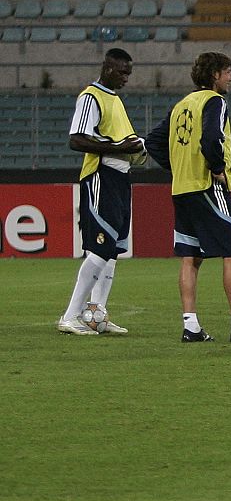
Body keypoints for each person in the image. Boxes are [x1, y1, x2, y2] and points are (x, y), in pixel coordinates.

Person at [142, 52, 231, 343]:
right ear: (215, 74)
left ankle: (190, 326)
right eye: (228, 72)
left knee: (190, 257)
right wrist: (217, 168)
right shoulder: (215, 101)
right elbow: (212, 138)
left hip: (182, 189)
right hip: (207, 186)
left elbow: (152, 141)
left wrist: (178, 166)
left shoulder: (181, 105)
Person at [59, 48, 144, 336]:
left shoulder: (115, 101)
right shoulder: (91, 97)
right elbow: (77, 139)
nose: (125, 78)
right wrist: (119, 148)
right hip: (100, 176)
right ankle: (70, 316)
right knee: (99, 246)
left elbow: (122, 140)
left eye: (128, 73)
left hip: (120, 178)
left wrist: (135, 149)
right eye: (122, 72)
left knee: (112, 249)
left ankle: (96, 314)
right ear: (107, 68)